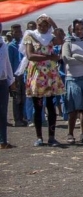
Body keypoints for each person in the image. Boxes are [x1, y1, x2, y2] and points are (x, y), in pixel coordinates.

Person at [21, 15, 65, 147]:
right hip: (37, 74)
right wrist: (49, 57)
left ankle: (51, 137)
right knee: (38, 106)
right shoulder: (30, 36)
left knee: (51, 106)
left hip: (50, 75)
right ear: (37, 25)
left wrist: (54, 24)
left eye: (46, 25)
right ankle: (39, 137)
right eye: (40, 25)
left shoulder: (51, 37)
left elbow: (61, 40)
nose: (42, 27)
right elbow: (30, 55)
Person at [7, 23, 26, 127]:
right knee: (16, 98)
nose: (18, 33)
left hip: (24, 74)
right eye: (16, 32)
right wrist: (11, 78)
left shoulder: (23, 44)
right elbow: (9, 62)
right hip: (15, 75)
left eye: (19, 31)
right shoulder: (11, 46)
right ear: (12, 33)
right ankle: (17, 119)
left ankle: (23, 118)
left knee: (24, 97)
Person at [0, 22, 13, 149]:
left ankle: (3, 141)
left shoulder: (3, 44)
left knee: (2, 112)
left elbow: (7, 63)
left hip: (2, 81)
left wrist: (11, 80)